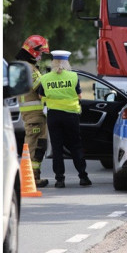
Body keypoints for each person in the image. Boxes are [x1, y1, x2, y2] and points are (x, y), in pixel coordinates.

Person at [38, 50, 91, 188]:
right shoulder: (73, 76)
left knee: (57, 148)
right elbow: (79, 96)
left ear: (53, 62)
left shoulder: (45, 78)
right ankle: (83, 177)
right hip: (71, 115)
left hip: (54, 116)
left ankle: (59, 180)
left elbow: (41, 96)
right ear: (66, 62)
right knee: (75, 145)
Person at [15, 35, 50, 187]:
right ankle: (30, 178)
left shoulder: (22, 65)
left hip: (32, 115)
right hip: (35, 115)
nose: (41, 55)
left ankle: (34, 177)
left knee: (37, 145)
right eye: (40, 52)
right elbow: (41, 88)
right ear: (33, 51)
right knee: (35, 145)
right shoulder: (30, 68)